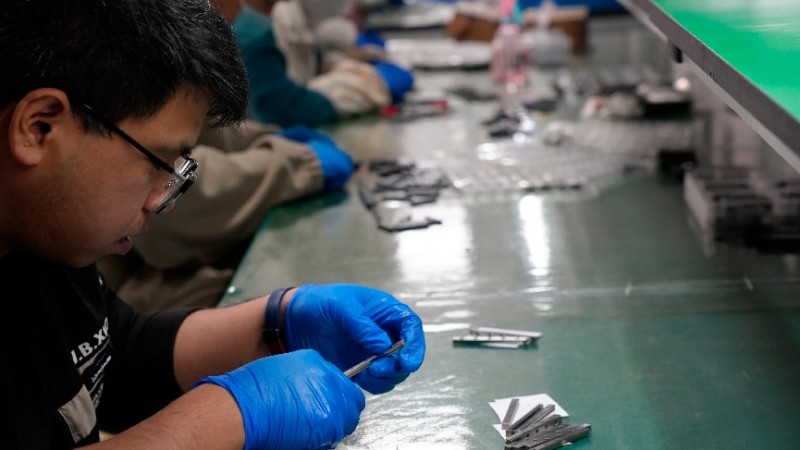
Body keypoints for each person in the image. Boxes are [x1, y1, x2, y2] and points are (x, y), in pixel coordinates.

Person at [0, 1, 426, 449]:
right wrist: (223, 419)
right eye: (159, 163)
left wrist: (276, 322)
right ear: (39, 127)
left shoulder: (46, 238)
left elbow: (112, 360)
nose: (160, 201)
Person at [98, 119, 355, 312]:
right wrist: (296, 164)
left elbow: (201, 123)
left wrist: (266, 138)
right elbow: (164, 192)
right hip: (126, 296)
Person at [229, 0, 412, 127]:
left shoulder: (280, 14)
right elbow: (279, 107)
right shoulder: (250, 30)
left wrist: (347, 63)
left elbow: (309, 60)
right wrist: (366, 87)